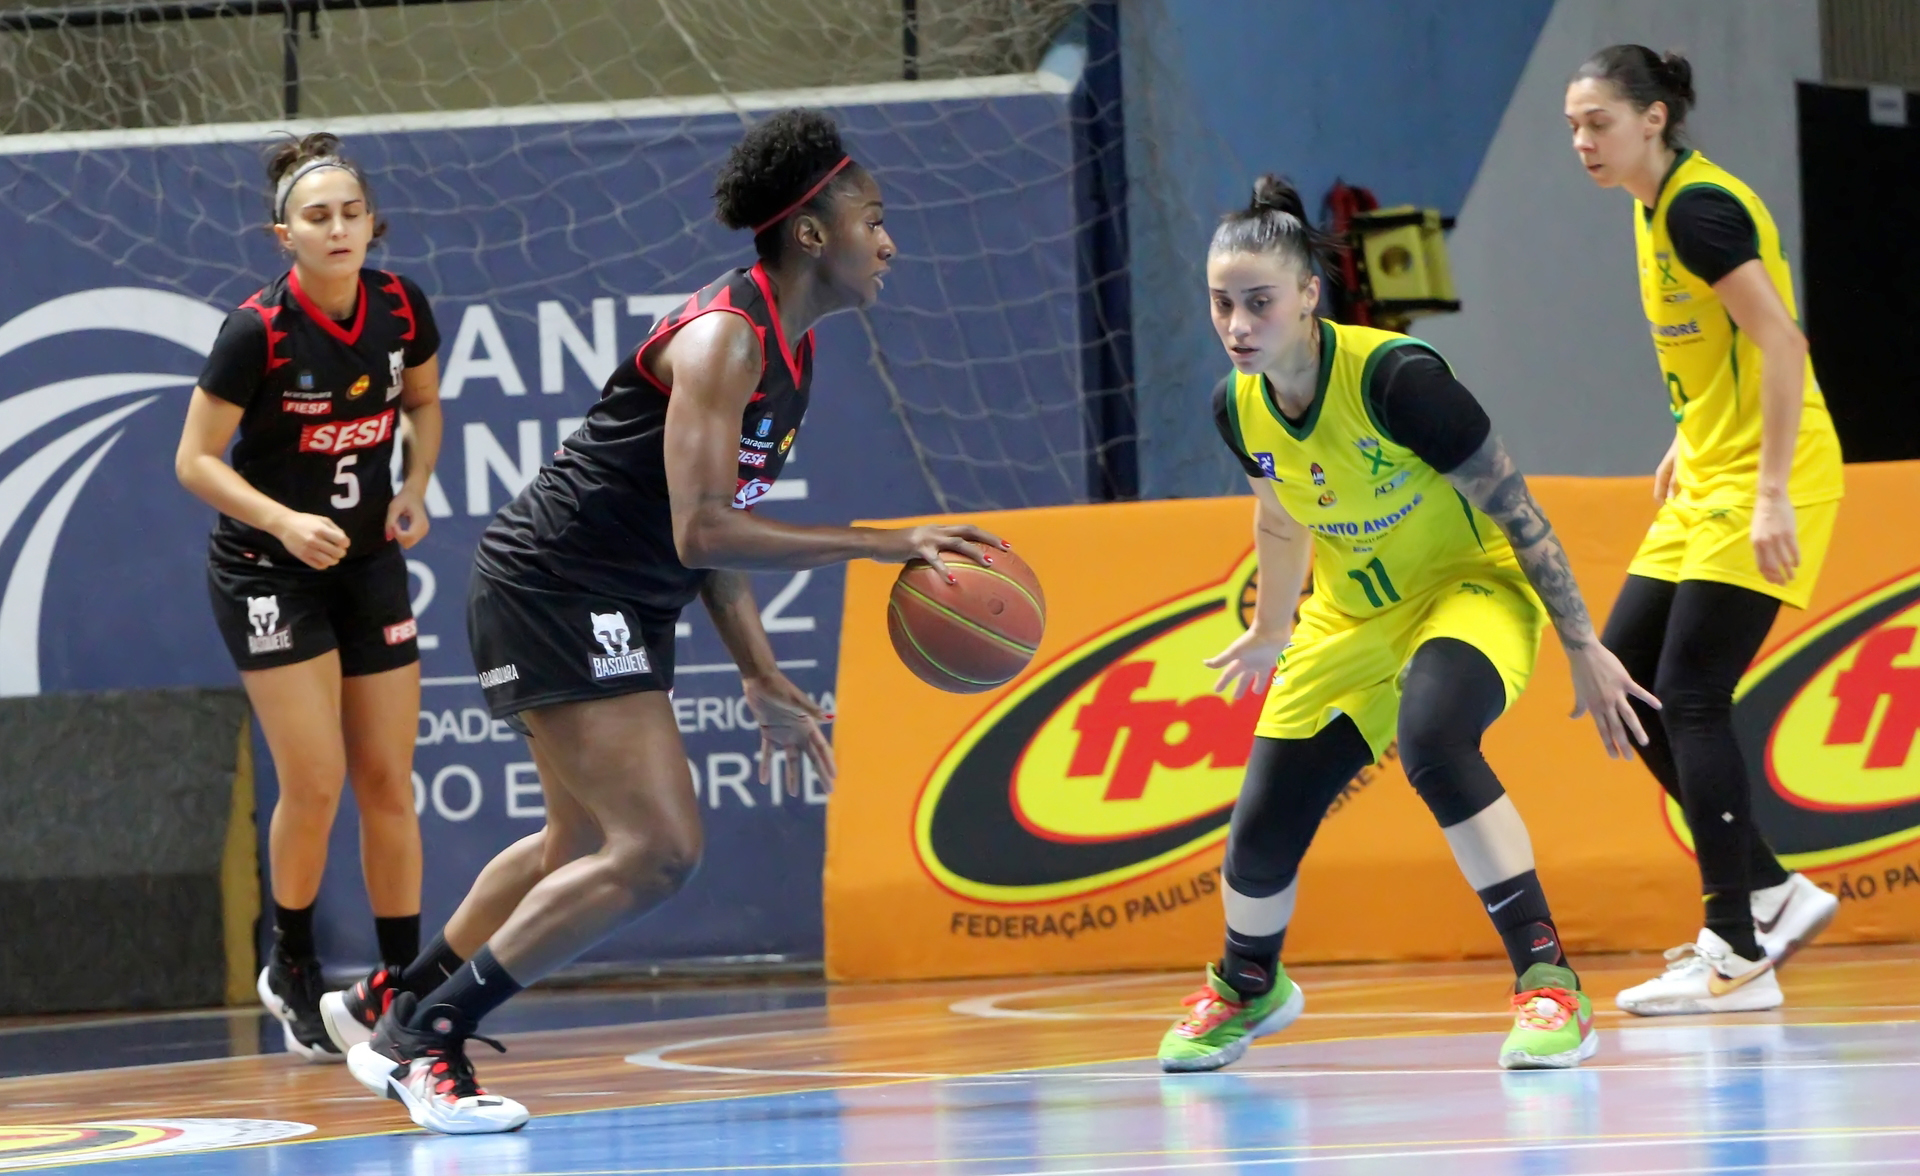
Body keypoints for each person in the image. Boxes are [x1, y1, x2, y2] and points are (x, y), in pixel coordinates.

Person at [339, 108, 1000, 1134]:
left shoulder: (794, 352)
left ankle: (397, 997)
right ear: (814, 234)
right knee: (656, 851)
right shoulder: (726, 340)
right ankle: (425, 1036)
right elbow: (702, 530)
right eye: (873, 216)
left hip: (614, 589)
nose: (890, 239)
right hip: (556, 583)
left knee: (577, 839)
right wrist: (878, 543)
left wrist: (761, 674)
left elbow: (712, 537)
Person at [1157, 175, 1658, 1075]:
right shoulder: (1238, 405)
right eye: (1222, 304)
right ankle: (1248, 984)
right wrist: (1273, 630)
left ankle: (1549, 984)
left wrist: (1583, 644)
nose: (1236, 324)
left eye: (1259, 302)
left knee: (1433, 739)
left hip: (1470, 591)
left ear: (1310, 295)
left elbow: (1516, 507)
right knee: (1260, 832)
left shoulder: (1396, 380)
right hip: (1348, 617)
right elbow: (1278, 516)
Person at [1567, 46, 1845, 1016]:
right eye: (1572, 125)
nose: (1582, 140)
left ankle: (1733, 944)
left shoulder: (1697, 206)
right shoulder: (1654, 210)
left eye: (1598, 120)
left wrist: (1769, 492)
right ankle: (1771, 891)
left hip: (1773, 474)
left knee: (1689, 693)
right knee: (1628, 682)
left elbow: (1782, 341)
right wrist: (1689, 437)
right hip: (1714, 471)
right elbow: (1718, 348)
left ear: (1653, 118)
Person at [175, 132, 441, 1061]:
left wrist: (414, 487)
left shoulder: (402, 304)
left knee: (386, 781)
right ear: (282, 233)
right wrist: (284, 523)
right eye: (317, 217)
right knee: (317, 778)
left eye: (350, 214)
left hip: (368, 561)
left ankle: (405, 991)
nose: (337, 229)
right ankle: (290, 964)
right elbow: (195, 460)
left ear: (373, 223)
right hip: (267, 568)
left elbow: (423, 406)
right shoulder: (257, 330)